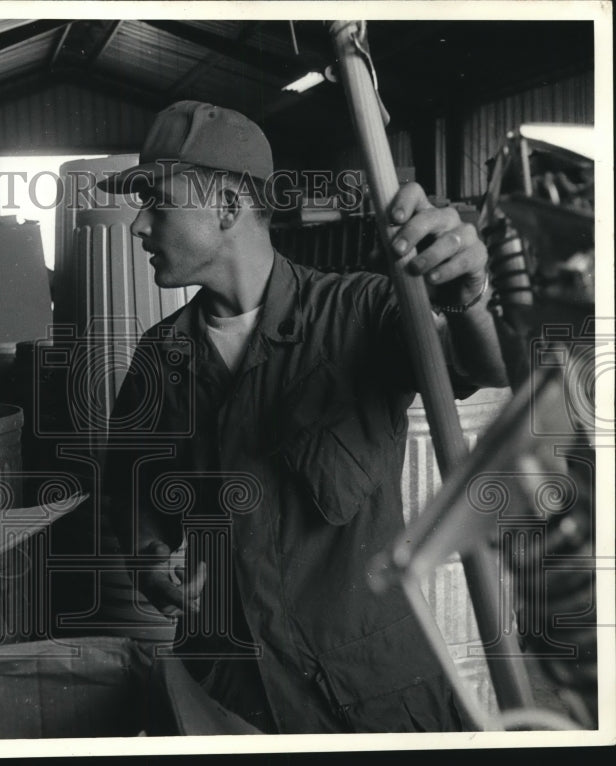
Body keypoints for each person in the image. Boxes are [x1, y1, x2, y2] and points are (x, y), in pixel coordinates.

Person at [98, 101, 509, 733]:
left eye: (156, 201)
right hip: (229, 699)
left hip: (368, 700)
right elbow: (131, 503)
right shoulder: (160, 358)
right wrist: (152, 561)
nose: (137, 227)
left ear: (227, 208)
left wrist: (470, 297)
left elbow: (485, 366)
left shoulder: (360, 315)